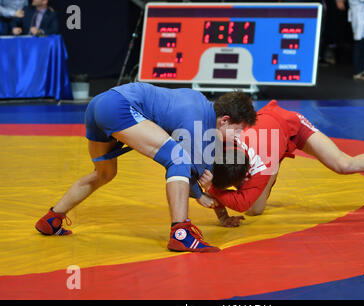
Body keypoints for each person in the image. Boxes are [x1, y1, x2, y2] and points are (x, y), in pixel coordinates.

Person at [34, 83, 257, 253]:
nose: (237, 137)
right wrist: (201, 194)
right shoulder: (198, 125)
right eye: (238, 131)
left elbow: (196, 178)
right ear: (225, 120)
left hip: (99, 104)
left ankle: (52, 219)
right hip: (119, 107)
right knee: (177, 159)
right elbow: (189, 181)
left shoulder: (199, 103)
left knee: (104, 173)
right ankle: (181, 232)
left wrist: (206, 197)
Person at [199, 100, 364, 227]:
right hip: (266, 143)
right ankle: (274, 161)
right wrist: (222, 213)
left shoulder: (259, 169)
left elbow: (240, 202)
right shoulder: (219, 143)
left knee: (343, 164)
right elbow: (220, 184)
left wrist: (212, 189)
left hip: (288, 125)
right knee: (256, 211)